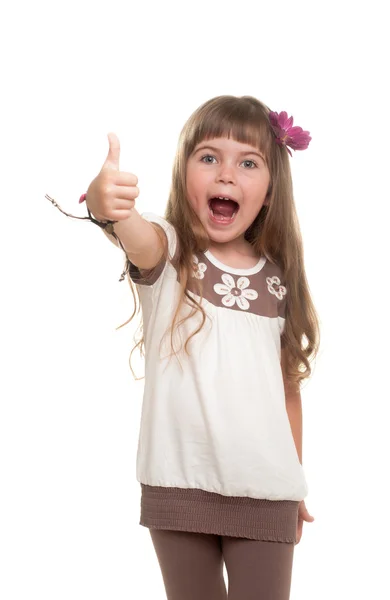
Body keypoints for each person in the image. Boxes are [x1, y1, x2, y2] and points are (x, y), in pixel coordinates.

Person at [47, 95, 319, 600]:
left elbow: (287, 391)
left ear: (270, 187)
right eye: (209, 157)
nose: (226, 175)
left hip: (267, 492)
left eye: (249, 162)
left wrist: (295, 480)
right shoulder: (171, 252)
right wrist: (109, 209)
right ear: (184, 169)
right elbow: (137, 237)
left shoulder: (278, 282)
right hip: (178, 484)